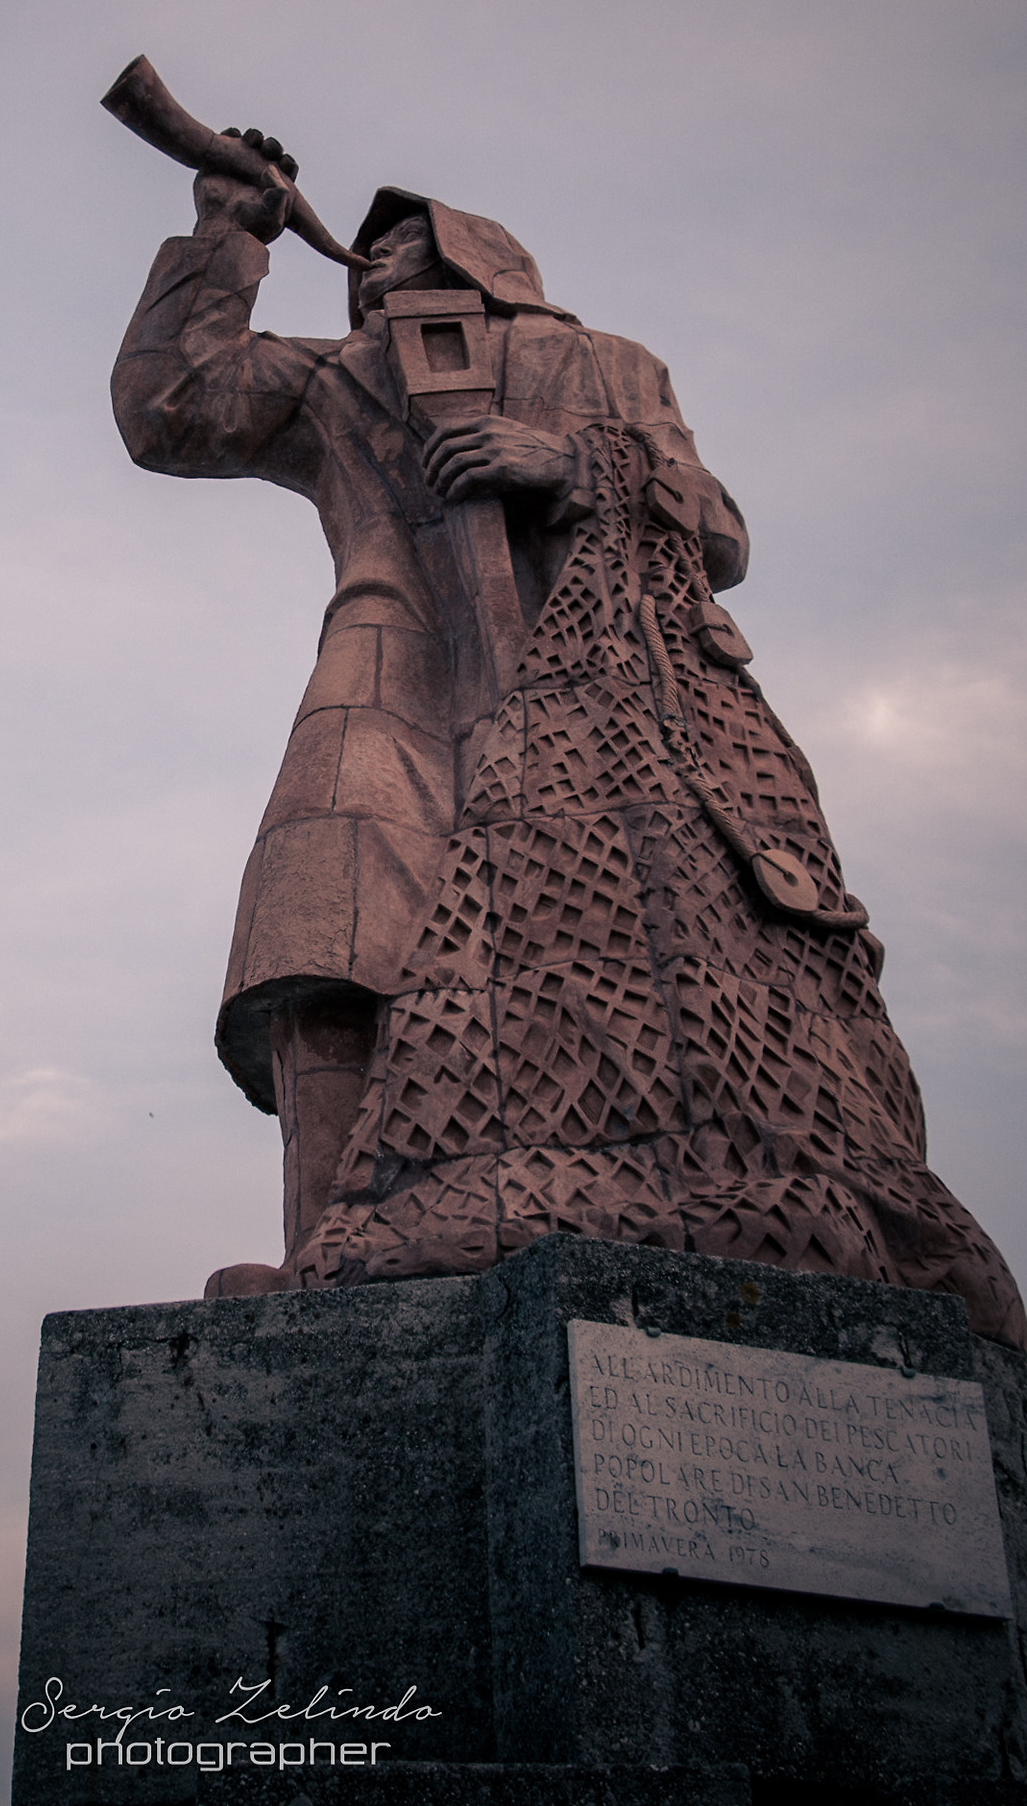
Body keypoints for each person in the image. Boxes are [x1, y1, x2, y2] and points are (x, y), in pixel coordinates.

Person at [112, 135, 1025, 1347]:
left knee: (664, 949)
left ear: (476, 255)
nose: (374, 263)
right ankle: (324, 1261)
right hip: (394, 671)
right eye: (365, 247)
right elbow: (173, 411)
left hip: (617, 698)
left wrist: (571, 463)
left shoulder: (605, 362)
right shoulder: (341, 377)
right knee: (321, 933)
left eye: (404, 239)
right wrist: (229, 231)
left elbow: (719, 531)